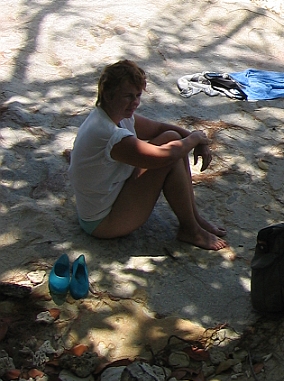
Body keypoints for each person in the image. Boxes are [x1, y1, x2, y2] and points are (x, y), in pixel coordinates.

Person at [69, 59, 227, 251]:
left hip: (113, 195)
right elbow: (165, 156)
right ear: (108, 95)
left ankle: (194, 218)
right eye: (127, 96)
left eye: (137, 95)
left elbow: (159, 128)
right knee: (172, 153)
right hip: (102, 222)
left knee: (171, 137)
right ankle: (190, 229)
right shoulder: (108, 133)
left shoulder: (113, 115)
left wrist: (195, 140)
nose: (134, 102)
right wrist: (195, 138)